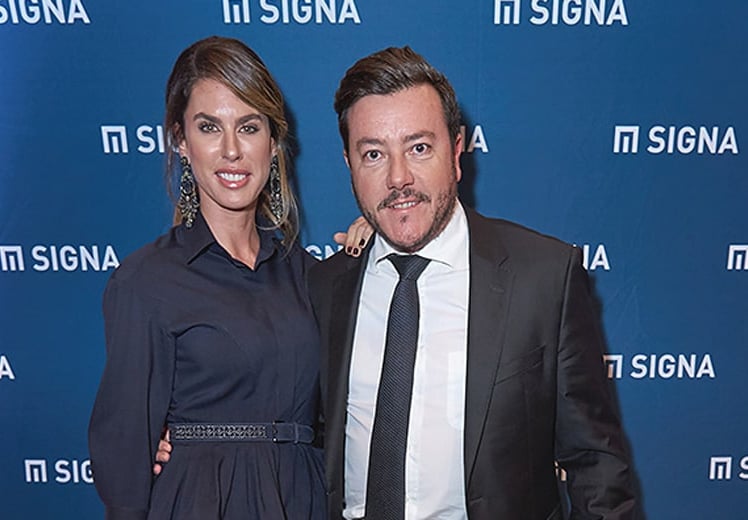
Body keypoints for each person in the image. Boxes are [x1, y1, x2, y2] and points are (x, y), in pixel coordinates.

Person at [307, 46, 637, 519]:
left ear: (457, 150)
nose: (398, 178)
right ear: (349, 165)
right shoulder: (324, 286)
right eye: (374, 154)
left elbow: (596, 468)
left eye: (419, 148)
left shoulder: (544, 278)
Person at [89, 36, 369, 519]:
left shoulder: (311, 276)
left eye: (249, 126)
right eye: (208, 127)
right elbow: (123, 464)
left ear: (272, 142)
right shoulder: (145, 282)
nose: (232, 150)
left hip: (303, 500)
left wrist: (383, 242)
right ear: (181, 141)